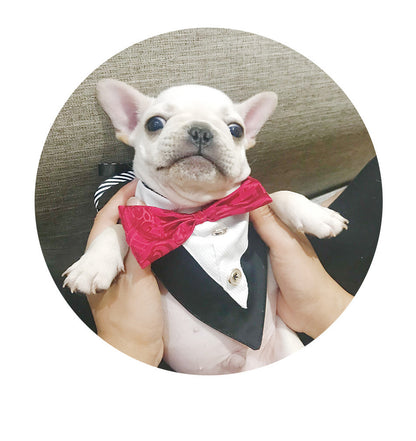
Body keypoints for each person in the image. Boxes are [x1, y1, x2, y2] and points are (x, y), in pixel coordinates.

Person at [86, 170, 369, 367]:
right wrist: (110, 243)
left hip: (274, 340)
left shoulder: (237, 202)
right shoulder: (137, 212)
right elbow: (119, 233)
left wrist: (129, 347)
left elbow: (266, 206)